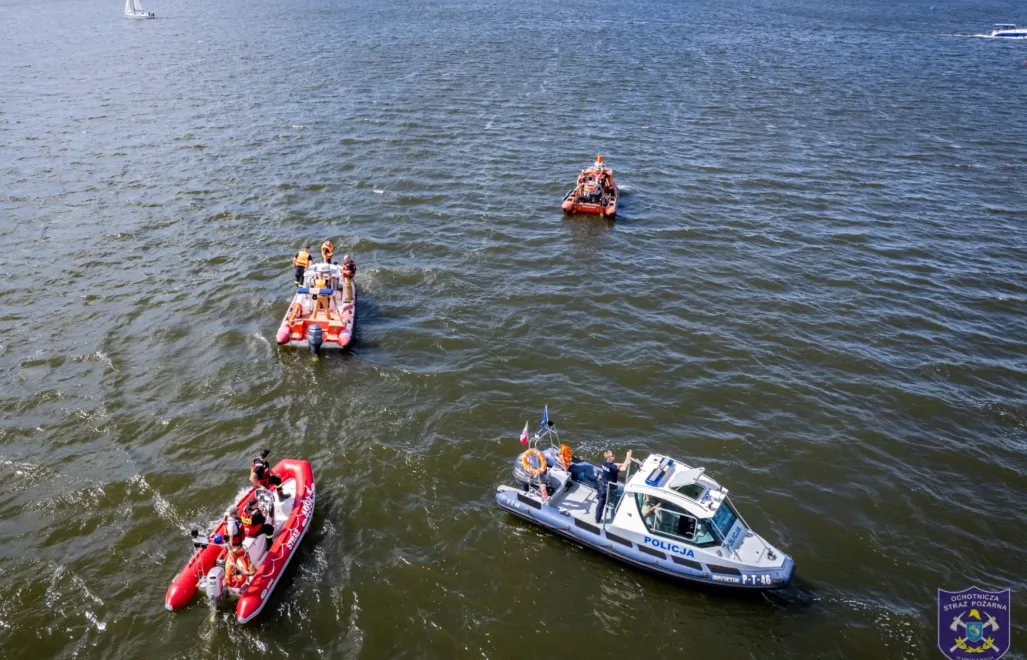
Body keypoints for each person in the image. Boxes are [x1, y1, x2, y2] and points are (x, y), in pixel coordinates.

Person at [594, 448, 631, 524]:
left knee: (601, 501)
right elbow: (623, 469)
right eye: (612, 455)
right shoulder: (612, 467)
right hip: (609, 487)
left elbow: (613, 465)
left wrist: (624, 463)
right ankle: (611, 510)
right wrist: (628, 457)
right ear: (608, 457)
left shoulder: (604, 462)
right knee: (611, 498)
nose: (614, 455)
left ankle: (597, 519)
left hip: (603, 484)